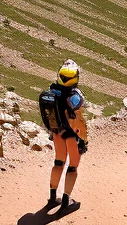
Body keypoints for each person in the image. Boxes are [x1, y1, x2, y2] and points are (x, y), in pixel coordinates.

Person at [39, 59, 88, 213]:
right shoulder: (75, 96)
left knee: (58, 163)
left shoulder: (52, 91)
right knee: (72, 167)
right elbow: (78, 121)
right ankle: (66, 200)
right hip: (72, 136)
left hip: (56, 133)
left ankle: (53, 197)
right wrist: (84, 139)